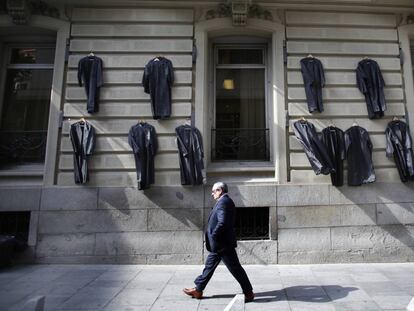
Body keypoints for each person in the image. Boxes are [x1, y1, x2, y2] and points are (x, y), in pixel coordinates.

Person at [183, 182, 254, 302]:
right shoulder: (224, 202)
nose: (212, 194)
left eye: (214, 191)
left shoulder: (224, 202)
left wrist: (214, 235)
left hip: (222, 243)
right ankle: (198, 290)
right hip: (220, 244)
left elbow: (223, 222)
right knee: (209, 266)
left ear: (220, 190)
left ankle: (248, 293)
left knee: (235, 268)